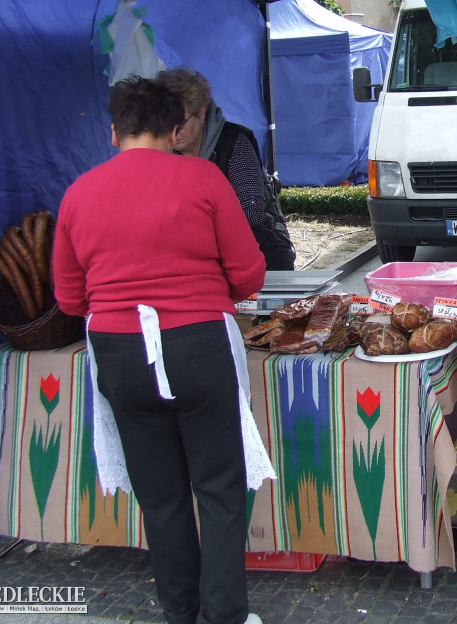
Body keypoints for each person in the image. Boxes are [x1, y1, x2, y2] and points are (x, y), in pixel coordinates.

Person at [53, 76, 267, 624]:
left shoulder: (78, 193)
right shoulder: (202, 176)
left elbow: (70, 296)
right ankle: (223, 617)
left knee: (161, 497)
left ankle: (180, 613)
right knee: (219, 492)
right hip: (197, 344)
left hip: (119, 351)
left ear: (113, 132)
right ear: (176, 130)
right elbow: (248, 275)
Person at [160, 68, 297, 271]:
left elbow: (251, 210)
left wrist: (193, 226)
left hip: (262, 257)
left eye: (180, 123)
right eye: (165, 122)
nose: (173, 132)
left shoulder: (235, 142)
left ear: (201, 113)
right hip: (203, 265)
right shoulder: (166, 152)